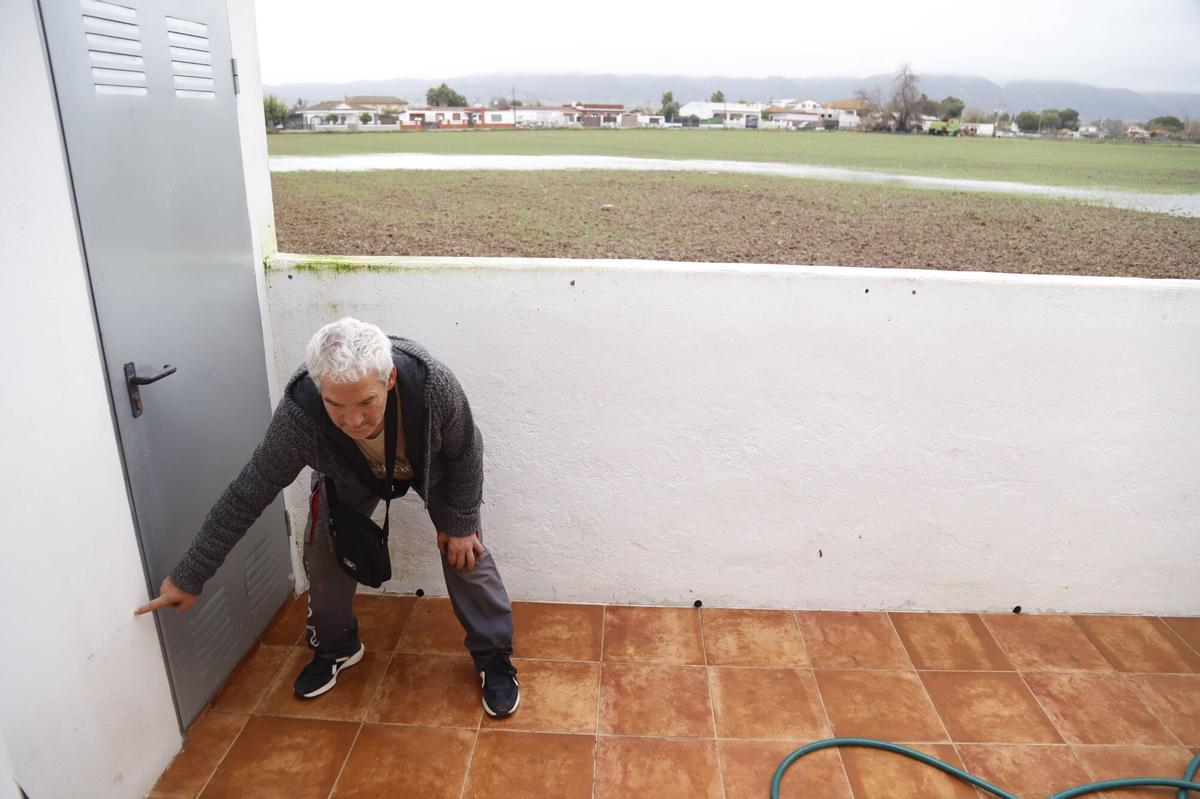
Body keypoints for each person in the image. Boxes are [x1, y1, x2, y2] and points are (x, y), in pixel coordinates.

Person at [135, 318, 519, 718]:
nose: (353, 421)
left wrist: (459, 524)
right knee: (322, 549)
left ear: (388, 380)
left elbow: (466, 450)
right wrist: (189, 575)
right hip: (349, 474)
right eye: (336, 405)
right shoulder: (299, 414)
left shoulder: (432, 384)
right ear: (320, 391)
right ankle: (337, 647)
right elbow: (250, 490)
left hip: (430, 468)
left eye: (366, 402)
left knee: (465, 550)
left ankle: (493, 656)